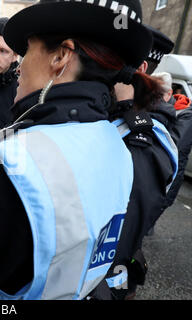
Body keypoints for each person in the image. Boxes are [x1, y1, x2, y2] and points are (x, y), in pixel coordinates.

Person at [0, 0, 160, 299]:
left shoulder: (8, 169)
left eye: (26, 51)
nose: (19, 65)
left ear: (61, 56)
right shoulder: (118, 144)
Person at [90, 26, 178, 300]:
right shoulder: (110, 111)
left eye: (110, 61)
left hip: (107, 277)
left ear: (137, 67)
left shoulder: (149, 132)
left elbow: (126, 223)